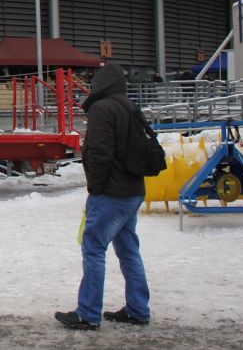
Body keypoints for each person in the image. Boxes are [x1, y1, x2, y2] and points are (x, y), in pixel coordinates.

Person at [55, 63, 150, 330]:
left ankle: (87, 313)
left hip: (111, 193)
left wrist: (95, 189)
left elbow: (99, 153)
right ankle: (138, 309)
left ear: (100, 85)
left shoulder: (102, 109)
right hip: (133, 191)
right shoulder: (130, 107)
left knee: (94, 249)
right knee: (129, 251)